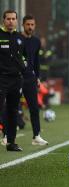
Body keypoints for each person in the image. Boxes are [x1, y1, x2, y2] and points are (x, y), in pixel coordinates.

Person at [0, 10, 27, 151]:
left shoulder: (20, 38)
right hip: (2, 79)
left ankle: (11, 142)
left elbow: (25, 58)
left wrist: (24, 68)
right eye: (8, 19)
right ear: (3, 20)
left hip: (16, 80)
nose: (11, 21)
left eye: (13, 19)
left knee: (13, 111)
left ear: (16, 21)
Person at [21, 15, 48, 145]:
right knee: (11, 107)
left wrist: (37, 77)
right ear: (23, 25)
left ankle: (36, 136)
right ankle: (7, 136)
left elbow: (36, 61)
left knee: (34, 108)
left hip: (30, 78)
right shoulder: (17, 39)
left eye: (32, 25)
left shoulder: (36, 41)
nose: (30, 27)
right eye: (28, 24)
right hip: (15, 78)